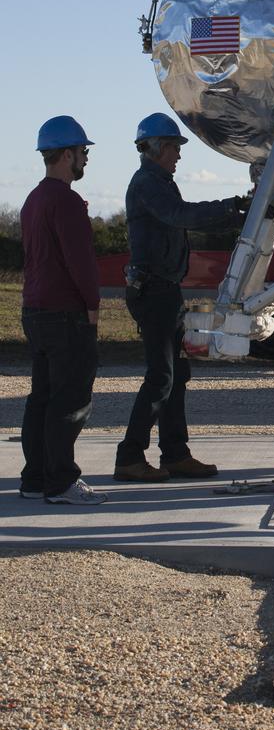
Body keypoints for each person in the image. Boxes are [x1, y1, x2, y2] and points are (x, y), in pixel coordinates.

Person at [114, 113, 247, 483]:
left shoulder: (159, 182)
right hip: (153, 292)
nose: (178, 154)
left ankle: (175, 454)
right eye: (174, 146)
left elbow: (181, 216)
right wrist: (231, 208)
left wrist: (233, 212)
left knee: (175, 376)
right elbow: (180, 216)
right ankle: (129, 456)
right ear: (156, 148)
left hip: (164, 291)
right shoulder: (148, 184)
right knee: (161, 377)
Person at [19, 116, 107, 506]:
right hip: (65, 313)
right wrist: (93, 307)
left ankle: (35, 478)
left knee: (42, 397)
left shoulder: (34, 199)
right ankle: (61, 483)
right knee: (70, 400)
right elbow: (80, 263)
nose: (85, 159)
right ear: (67, 154)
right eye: (83, 152)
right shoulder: (66, 201)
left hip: (35, 310)